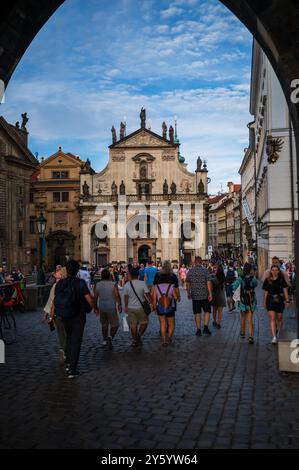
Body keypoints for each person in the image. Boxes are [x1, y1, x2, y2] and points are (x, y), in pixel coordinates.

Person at [53, 260, 94, 379]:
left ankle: (68, 363)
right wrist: (95, 307)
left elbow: (56, 299)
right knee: (76, 341)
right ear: (77, 271)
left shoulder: (60, 283)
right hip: (78, 316)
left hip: (64, 315)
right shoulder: (80, 283)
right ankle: (72, 369)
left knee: (69, 338)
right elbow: (89, 299)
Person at [152, 260, 180, 346]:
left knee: (162, 323)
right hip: (170, 303)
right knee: (171, 323)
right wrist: (178, 297)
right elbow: (176, 291)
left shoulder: (157, 275)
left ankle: (163, 340)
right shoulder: (173, 277)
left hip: (159, 303)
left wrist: (153, 305)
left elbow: (153, 293)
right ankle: (169, 339)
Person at [44, 267, 67, 362]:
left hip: (58, 313)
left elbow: (51, 300)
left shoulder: (55, 286)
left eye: (57, 278)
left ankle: (63, 349)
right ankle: (65, 350)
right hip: (68, 314)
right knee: (67, 333)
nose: (56, 279)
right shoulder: (71, 284)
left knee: (61, 333)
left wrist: (47, 313)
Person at [124, 267, 152, 348]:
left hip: (130, 308)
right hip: (141, 308)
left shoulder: (127, 285)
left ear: (130, 275)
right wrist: (152, 303)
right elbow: (148, 295)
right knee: (144, 323)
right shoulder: (142, 283)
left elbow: (126, 297)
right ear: (138, 275)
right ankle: (138, 336)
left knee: (133, 325)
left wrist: (126, 306)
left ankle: (134, 340)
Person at [94, 269, 122, 349]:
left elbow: (95, 297)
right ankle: (110, 337)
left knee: (104, 325)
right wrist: (119, 304)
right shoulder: (113, 284)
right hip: (111, 307)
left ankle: (105, 340)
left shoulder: (98, 284)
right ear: (109, 275)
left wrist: (95, 307)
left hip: (102, 307)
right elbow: (117, 295)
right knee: (115, 325)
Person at [263, 264, 290, 345]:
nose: (274, 271)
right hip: (270, 301)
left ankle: (278, 333)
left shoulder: (281, 280)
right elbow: (265, 292)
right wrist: (264, 301)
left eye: (276, 270)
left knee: (280, 318)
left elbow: (285, 291)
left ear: (278, 271)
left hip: (279, 301)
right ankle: (274, 337)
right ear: (270, 271)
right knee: (272, 318)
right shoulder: (267, 280)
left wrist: (287, 301)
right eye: (273, 270)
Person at [186, 256, 213, 336]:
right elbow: (208, 283)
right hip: (205, 295)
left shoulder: (190, 271)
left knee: (197, 312)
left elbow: (187, 283)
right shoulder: (205, 271)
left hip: (195, 296)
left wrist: (188, 293)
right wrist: (210, 293)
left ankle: (198, 329)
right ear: (201, 262)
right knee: (207, 311)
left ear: (195, 262)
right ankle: (205, 327)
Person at [233, 263, 257, 345]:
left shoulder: (240, 278)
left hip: (243, 300)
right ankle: (250, 336)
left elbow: (234, 286)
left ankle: (242, 332)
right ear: (250, 270)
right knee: (250, 319)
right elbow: (256, 285)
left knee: (243, 317)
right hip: (251, 300)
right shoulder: (253, 278)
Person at [211, 264, 226, 329]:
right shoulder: (223, 279)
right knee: (220, 311)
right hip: (222, 296)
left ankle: (214, 320)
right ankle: (218, 322)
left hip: (215, 296)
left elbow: (211, 288)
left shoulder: (213, 279)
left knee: (214, 310)